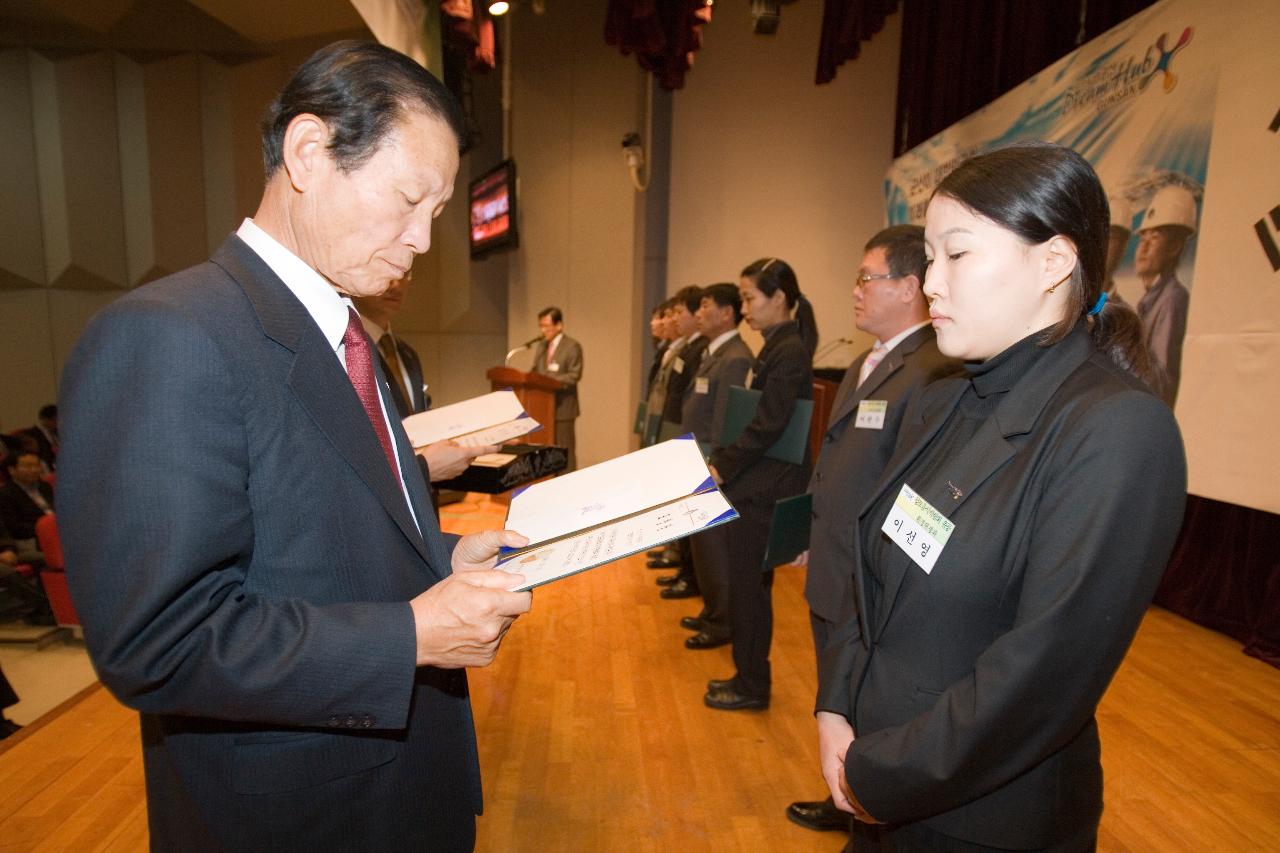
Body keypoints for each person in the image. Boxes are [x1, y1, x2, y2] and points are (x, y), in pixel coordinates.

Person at [58, 41, 533, 851]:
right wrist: (411, 635)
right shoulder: (168, 335)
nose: (422, 240)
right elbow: (157, 640)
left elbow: (320, 527)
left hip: (401, 787)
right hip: (296, 816)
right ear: (309, 152)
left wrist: (442, 557)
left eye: (437, 214)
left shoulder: (342, 327)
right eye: (409, 200)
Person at [815, 142, 1186, 851]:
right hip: (877, 770)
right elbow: (874, 560)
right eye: (929, 258)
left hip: (980, 819)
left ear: (1053, 262)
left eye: (958, 255)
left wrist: (878, 775)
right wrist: (837, 702)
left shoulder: (1117, 430)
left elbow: (1041, 675)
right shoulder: (947, 395)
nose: (932, 284)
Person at [787, 225, 959, 833]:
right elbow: (835, 456)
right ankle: (842, 793)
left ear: (910, 285)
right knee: (837, 693)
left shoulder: (936, 367)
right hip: (833, 559)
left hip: (873, 574)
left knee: (872, 700)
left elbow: (918, 486)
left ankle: (870, 813)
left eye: (868, 277)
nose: (855, 290)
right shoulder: (865, 360)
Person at [704, 257, 816, 711]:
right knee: (749, 589)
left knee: (750, 591)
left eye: (750, 297)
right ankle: (746, 676)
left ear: (780, 299)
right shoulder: (776, 345)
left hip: (765, 489)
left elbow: (768, 424)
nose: (744, 307)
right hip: (757, 482)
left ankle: (752, 684)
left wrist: (723, 466)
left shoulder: (788, 351)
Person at [354, 274, 496, 484]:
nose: (396, 284)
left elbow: (419, 418)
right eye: (387, 268)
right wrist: (423, 468)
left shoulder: (407, 354)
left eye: (404, 274)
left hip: (424, 494)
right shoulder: (348, 354)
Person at [679, 283, 753, 650]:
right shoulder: (716, 353)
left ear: (727, 313)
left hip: (712, 462)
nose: (700, 312)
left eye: (707, 305)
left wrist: (717, 461)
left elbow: (727, 420)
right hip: (697, 457)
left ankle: (721, 620)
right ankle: (712, 611)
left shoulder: (736, 356)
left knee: (714, 547)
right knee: (703, 547)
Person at [655, 285, 709, 600]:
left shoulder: (698, 348)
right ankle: (681, 561)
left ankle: (688, 571)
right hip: (674, 427)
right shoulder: (681, 348)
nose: (673, 319)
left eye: (678, 312)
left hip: (690, 436)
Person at [1134, 182, 1197, 408]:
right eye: (1142, 238)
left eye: (1155, 237)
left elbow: (1162, 384)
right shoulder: (1151, 299)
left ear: (1174, 248)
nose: (1143, 247)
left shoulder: (1172, 299)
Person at [531, 306, 583, 470]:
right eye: (541, 326)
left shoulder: (572, 346)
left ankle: (569, 485)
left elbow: (574, 376)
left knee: (564, 450)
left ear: (559, 325)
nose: (543, 330)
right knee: (546, 451)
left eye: (546, 326)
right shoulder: (541, 347)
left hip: (563, 408)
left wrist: (548, 379)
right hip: (542, 409)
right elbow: (535, 371)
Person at [0, 451, 54, 546]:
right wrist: (48, 527)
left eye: (37, 465)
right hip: (32, 540)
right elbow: (15, 528)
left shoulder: (44, 486)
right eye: (27, 466)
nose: (34, 470)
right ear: (11, 470)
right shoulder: (5, 494)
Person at [20, 404, 58, 471]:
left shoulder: (58, 433)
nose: (58, 423)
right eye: (55, 420)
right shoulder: (30, 434)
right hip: (45, 467)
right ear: (44, 419)